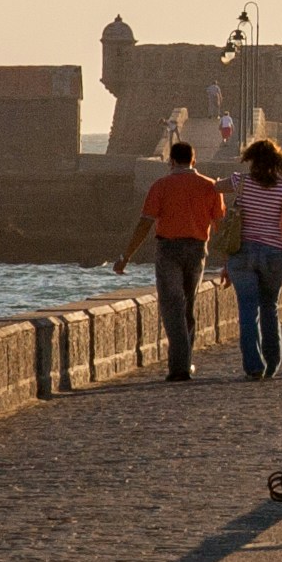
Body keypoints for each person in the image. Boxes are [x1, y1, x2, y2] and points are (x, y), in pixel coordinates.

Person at [112, 141, 223, 382]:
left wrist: (126, 256)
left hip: (168, 249)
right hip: (197, 249)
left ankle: (179, 366)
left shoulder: (161, 186)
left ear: (171, 161)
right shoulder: (210, 186)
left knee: (172, 306)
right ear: (194, 161)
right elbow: (220, 226)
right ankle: (184, 362)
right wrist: (229, 261)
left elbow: (145, 222)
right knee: (188, 306)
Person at [225, 137, 282, 381]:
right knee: (269, 307)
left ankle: (253, 365)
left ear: (251, 159)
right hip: (274, 252)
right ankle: (273, 362)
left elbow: (212, 186)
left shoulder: (240, 181)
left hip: (242, 252)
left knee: (247, 309)